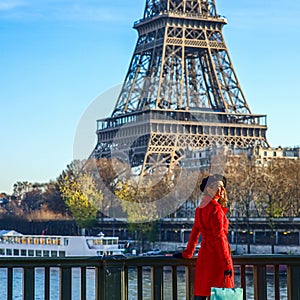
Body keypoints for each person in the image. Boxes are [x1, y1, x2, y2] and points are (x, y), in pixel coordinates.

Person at [173, 174, 234, 300]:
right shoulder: (216, 209)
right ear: (209, 189)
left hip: (204, 257)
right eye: (219, 187)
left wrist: (187, 253)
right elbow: (219, 238)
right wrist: (227, 263)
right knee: (221, 294)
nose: (222, 190)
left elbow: (195, 233)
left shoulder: (200, 208)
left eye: (223, 187)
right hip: (218, 258)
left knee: (202, 292)